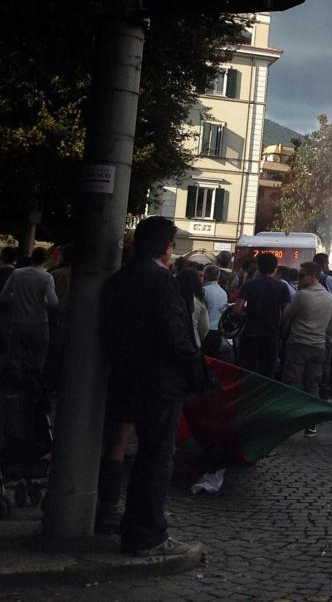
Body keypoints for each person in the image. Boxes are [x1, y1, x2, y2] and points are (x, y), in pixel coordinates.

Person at [98, 217, 205, 557]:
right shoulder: (161, 281)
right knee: (156, 457)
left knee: (125, 446)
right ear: (167, 248)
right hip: (160, 382)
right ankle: (148, 534)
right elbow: (176, 335)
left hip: (126, 375)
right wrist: (194, 364)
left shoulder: (118, 280)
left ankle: (113, 515)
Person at [281, 262, 332, 433]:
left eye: (302, 275)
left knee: (293, 381)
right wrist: (327, 344)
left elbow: (287, 315)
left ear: (313, 277)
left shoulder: (302, 296)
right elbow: (331, 327)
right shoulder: (330, 299)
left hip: (298, 343)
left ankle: (291, 420)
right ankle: (310, 423)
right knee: (313, 384)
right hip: (319, 346)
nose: (299, 278)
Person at [0, 245, 59, 371]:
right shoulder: (47, 277)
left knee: (15, 359)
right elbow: (53, 302)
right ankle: (34, 383)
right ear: (46, 260)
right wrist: (41, 301)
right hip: (39, 324)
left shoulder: (17, 274)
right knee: (38, 361)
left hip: (18, 323)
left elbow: (4, 297)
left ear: (32, 258)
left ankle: (16, 384)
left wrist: (17, 298)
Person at [234, 252, 292, 376]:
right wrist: (282, 332)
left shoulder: (249, 285)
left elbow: (237, 309)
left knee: (249, 371)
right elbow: (286, 313)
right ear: (275, 268)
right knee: (268, 371)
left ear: (258, 266)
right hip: (271, 335)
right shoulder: (282, 287)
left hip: (250, 334)